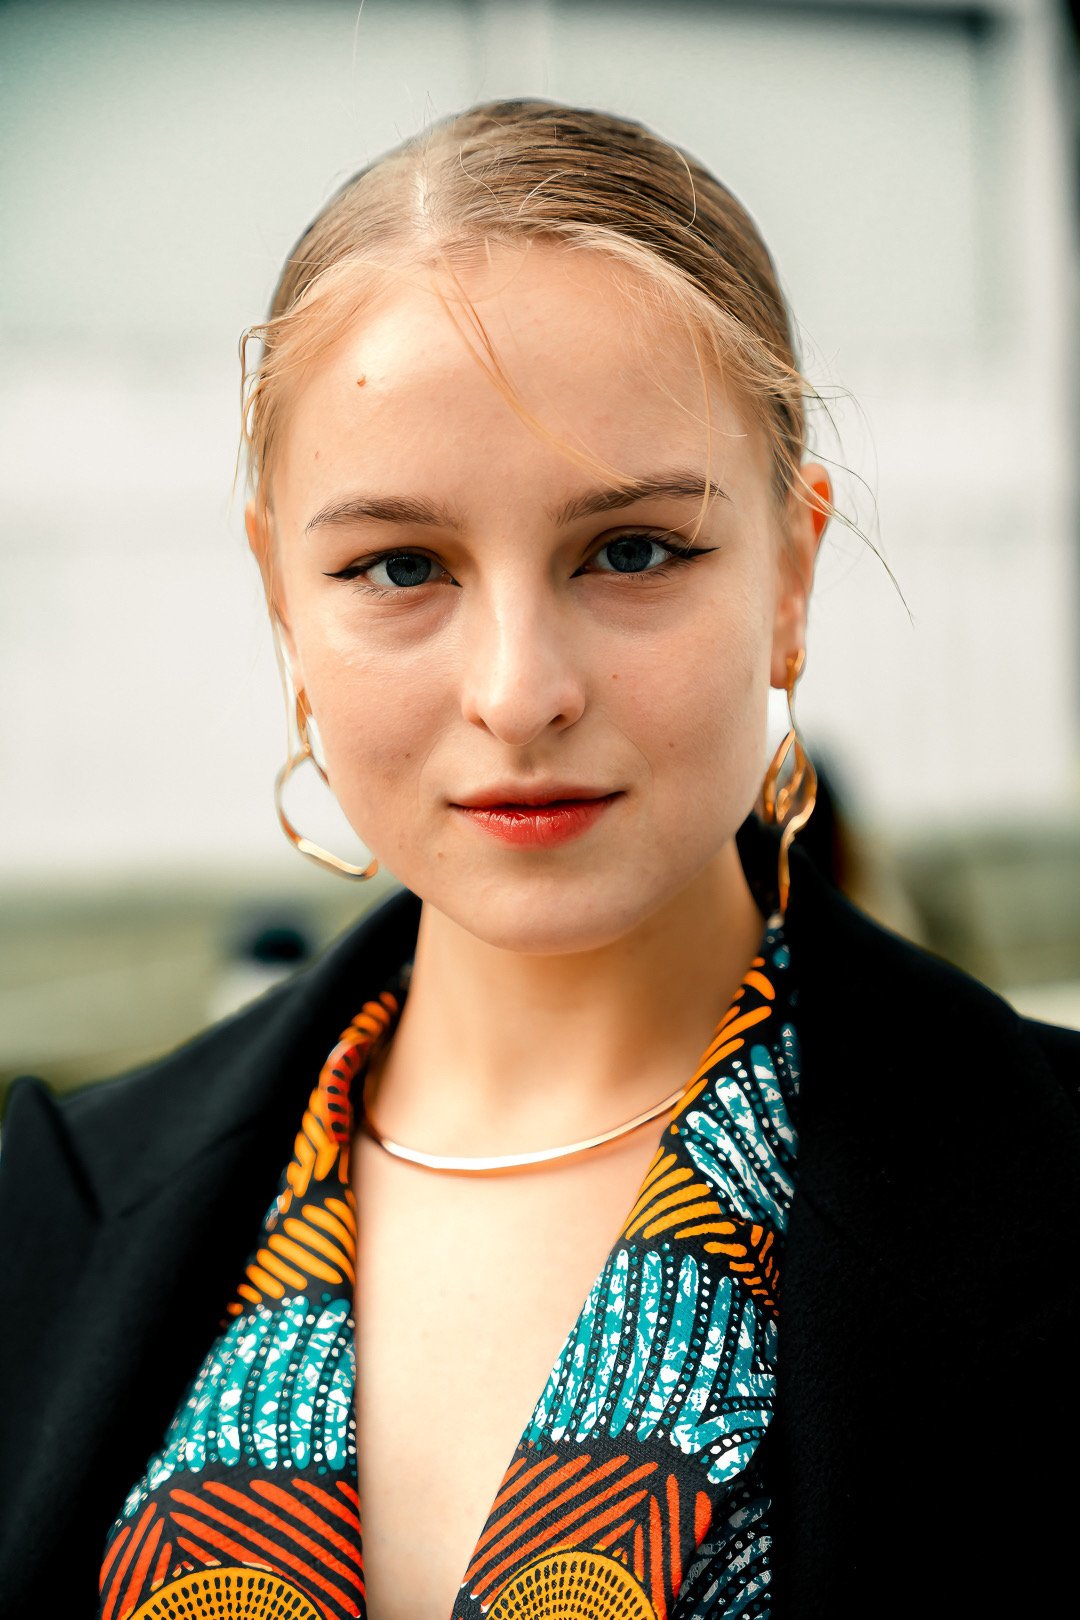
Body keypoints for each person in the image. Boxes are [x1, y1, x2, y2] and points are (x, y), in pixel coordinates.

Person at [0, 99, 1076, 1620]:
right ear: (279, 599)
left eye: (630, 550)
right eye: (398, 566)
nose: (518, 690)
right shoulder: (47, 1208)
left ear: (792, 570)